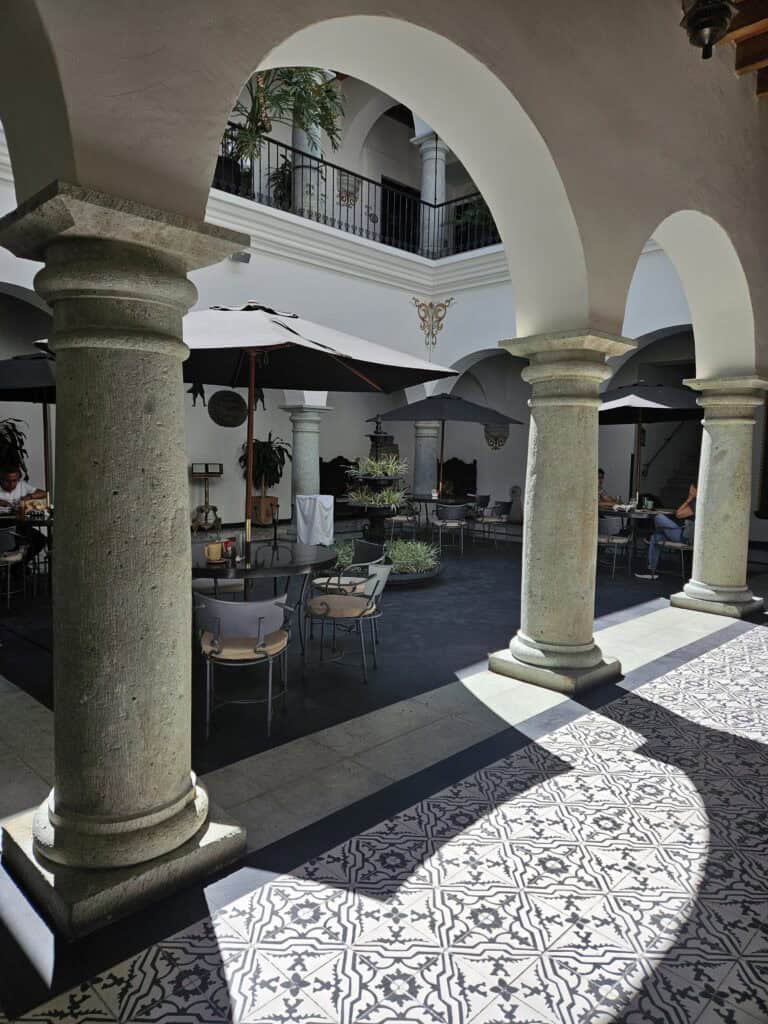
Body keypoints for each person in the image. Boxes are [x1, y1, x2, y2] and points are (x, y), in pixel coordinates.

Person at [635, 483, 696, 581]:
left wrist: (689, 499)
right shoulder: (694, 503)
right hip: (681, 532)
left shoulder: (696, 503)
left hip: (685, 536)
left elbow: (678, 514)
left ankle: (651, 534)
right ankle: (651, 572)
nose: (690, 491)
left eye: (692, 489)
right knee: (656, 537)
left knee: (658, 517)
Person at [0, 461, 47, 564]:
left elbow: (44, 493)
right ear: (1, 479)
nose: (12, 484)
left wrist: (29, 497)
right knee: (26, 540)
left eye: (14, 481)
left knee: (41, 540)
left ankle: (17, 568)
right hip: (5, 528)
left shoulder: (22, 485)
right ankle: (16, 569)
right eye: (7, 481)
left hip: (19, 527)